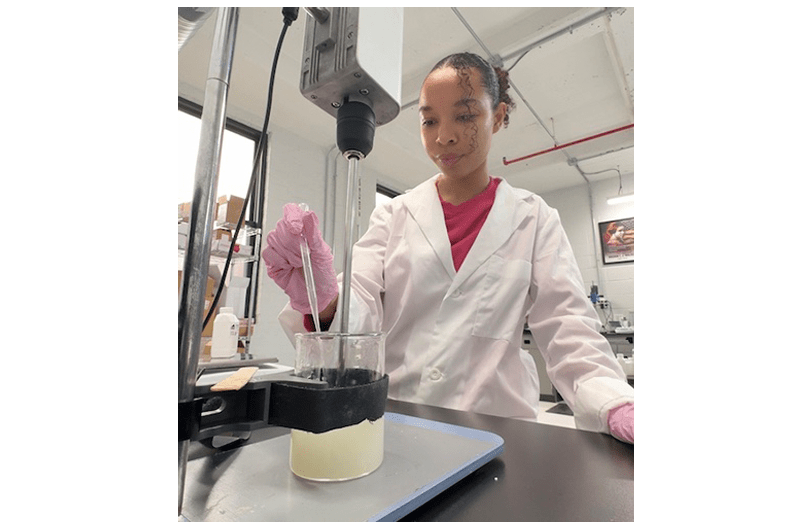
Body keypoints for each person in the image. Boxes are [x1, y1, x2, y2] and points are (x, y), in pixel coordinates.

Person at [262, 52, 634, 444]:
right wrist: (322, 300)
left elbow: (568, 328)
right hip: (398, 421)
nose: (444, 136)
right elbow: (361, 300)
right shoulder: (394, 214)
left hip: (497, 430)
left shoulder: (534, 218)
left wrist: (615, 402)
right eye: (429, 121)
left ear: (498, 116)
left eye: (465, 115)